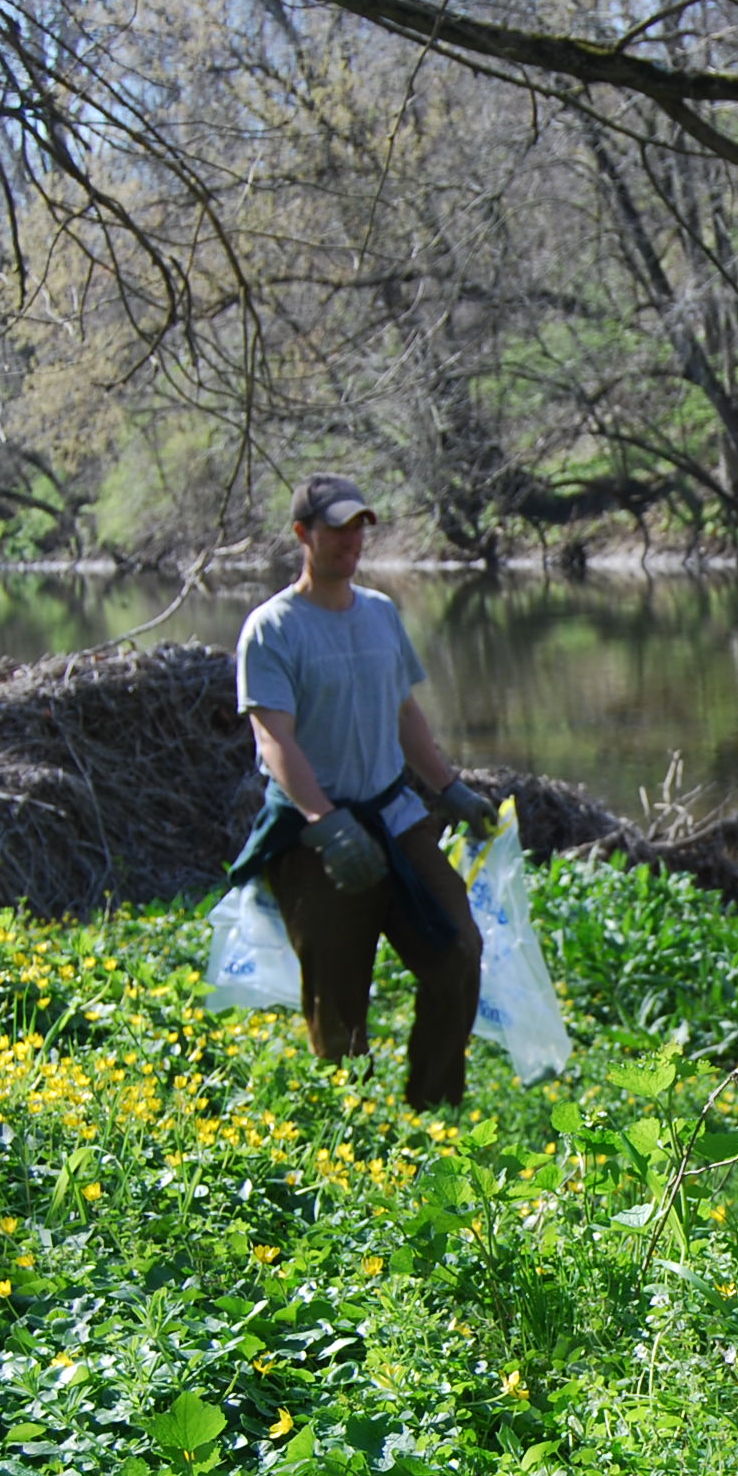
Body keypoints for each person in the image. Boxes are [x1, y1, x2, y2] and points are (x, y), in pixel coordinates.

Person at [223, 475, 499, 1108]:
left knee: (457, 951)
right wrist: (325, 821)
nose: (352, 540)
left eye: (359, 527)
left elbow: (404, 714)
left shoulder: (379, 613)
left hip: (395, 813)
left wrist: (450, 789)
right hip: (314, 832)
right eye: (337, 528)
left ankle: (431, 1108)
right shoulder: (273, 628)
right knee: (338, 992)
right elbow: (275, 741)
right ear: (303, 535)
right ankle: (353, 1122)